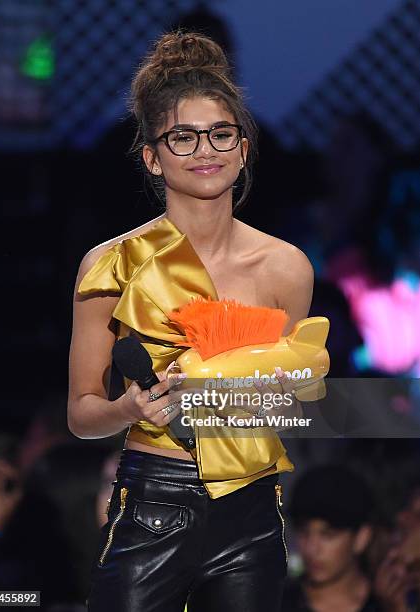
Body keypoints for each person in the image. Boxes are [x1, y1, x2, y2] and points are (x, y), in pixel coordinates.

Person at [68, 30, 314, 612]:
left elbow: (292, 404)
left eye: (221, 133)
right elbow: (81, 413)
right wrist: (128, 409)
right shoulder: (112, 264)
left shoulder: (287, 267)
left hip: (253, 510)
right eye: (184, 137)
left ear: (244, 148)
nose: (207, 150)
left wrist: (273, 392)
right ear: (152, 157)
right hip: (155, 498)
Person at [281, 464, 381, 612]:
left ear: (361, 538)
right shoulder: (276, 603)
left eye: (328, 535)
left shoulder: (389, 602)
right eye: (304, 532)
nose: (311, 549)